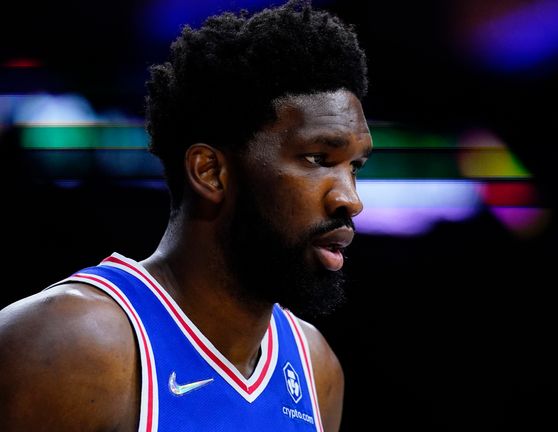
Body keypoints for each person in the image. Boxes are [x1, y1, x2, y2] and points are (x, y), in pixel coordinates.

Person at [0, 1, 370, 431]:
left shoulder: (315, 367)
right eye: (318, 158)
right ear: (210, 172)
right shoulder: (65, 344)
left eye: (354, 166)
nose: (350, 199)